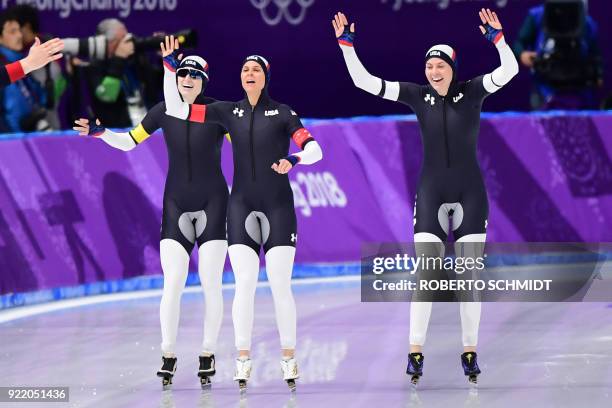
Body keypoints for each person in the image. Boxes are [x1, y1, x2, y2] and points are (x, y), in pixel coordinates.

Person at [333, 9, 518, 385]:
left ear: (452, 67)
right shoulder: (418, 96)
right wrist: (348, 49)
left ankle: (470, 351)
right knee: (427, 275)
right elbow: (366, 83)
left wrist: (499, 40)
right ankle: (415, 351)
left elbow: (511, 70)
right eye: (429, 67)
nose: (433, 73)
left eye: (440, 66)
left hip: (470, 193)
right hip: (432, 192)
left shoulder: (474, 91)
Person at [160, 35, 323, 391]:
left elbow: (315, 152)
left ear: (265, 77)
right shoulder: (225, 112)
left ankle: (288, 356)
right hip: (241, 206)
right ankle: (243, 358)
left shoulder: (282, 113)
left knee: (281, 285)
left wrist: (293, 159)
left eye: (255, 69)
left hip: (278, 204)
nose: (249, 73)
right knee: (244, 285)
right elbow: (178, 109)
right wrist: (169, 69)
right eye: (245, 69)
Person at [73, 53, 229, 389]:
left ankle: (208, 352)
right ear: (175, 77)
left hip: (215, 204)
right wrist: (101, 133)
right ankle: (168, 354)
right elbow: (129, 142)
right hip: (176, 205)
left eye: (194, 75)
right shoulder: (162, 111)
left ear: (204, 81)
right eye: (182, 73)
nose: (187, 79)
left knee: (210, 284)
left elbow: (247, 146)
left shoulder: (218, 112)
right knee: (172, 282)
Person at [513, 0, 602, 110]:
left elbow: (595, 53)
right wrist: (522, 54)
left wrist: (598, 73)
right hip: (544, 87)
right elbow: (519, 43)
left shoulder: (587, 22)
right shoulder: (536, 15)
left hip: (579, 88)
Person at [83, 18, 162, 127]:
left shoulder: (136, 59)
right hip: (118, 131)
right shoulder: (95, 66)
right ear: (108, 42)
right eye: (122, 40)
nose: (128, 43)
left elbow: (160, 84)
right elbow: (107, 96)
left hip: (149, 125)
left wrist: (165, 59)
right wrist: (119, 59)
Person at [0, 9, 63, 132]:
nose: (19, 35)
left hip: (31, 137)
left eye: (19, 30)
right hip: (9, 141)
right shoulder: (7, 66)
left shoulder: (22, 59)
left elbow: (40, 100)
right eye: (12, 31)